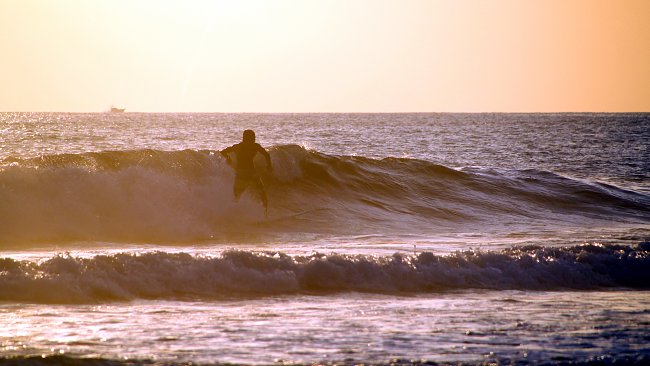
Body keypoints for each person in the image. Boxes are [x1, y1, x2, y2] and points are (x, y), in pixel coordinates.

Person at [220, 129, 273, 213]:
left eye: (254, 138)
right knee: (238, 195)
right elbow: (222, 152)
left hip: (248, 173)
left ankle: (265, 214)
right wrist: (269, 165)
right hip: (244, 174)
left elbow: (266, 154)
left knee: (261, 193)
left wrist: (228, 158)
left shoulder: (242, 146)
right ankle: (234, 214)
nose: (254, 140)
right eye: (252, 138)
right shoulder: (251, 146)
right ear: (245, 138)